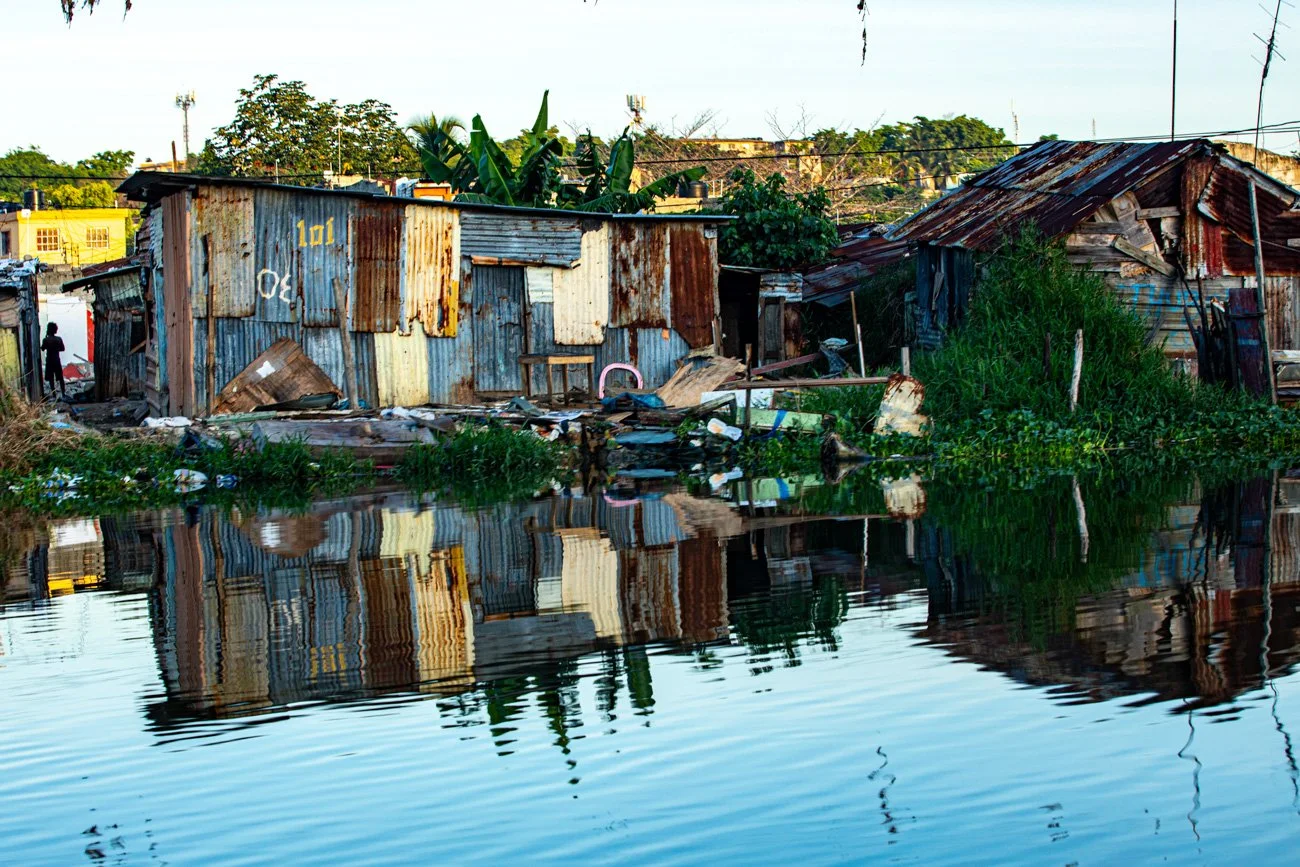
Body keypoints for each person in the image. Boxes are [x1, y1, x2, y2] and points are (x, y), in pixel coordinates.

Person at [41, 322, 66, 400]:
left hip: (49, 361)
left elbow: (42, 348)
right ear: (55, 330)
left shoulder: (46, 339)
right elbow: (62, 349)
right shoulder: (58, 339)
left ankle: (54, 395)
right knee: (60, 378)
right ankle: (63, 394)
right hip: (56, 360)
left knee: (51, 378)